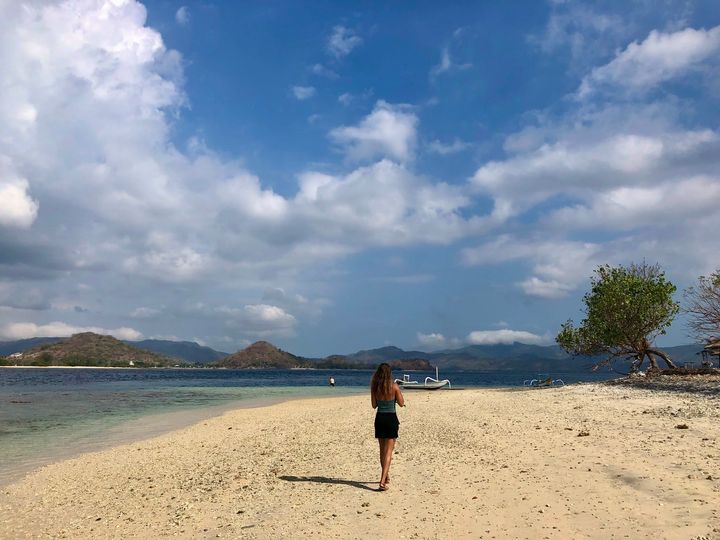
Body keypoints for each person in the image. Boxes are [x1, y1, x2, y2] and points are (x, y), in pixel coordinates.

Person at [370, 363, 404, 491]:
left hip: (380, 418)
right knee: (389, 451)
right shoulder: (394, 386)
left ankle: (386, 475)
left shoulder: (375, 387)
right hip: (391, 418)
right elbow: (401, 403)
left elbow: (374, 405)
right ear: (390, 373)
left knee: (382, 450)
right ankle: (382, 481)